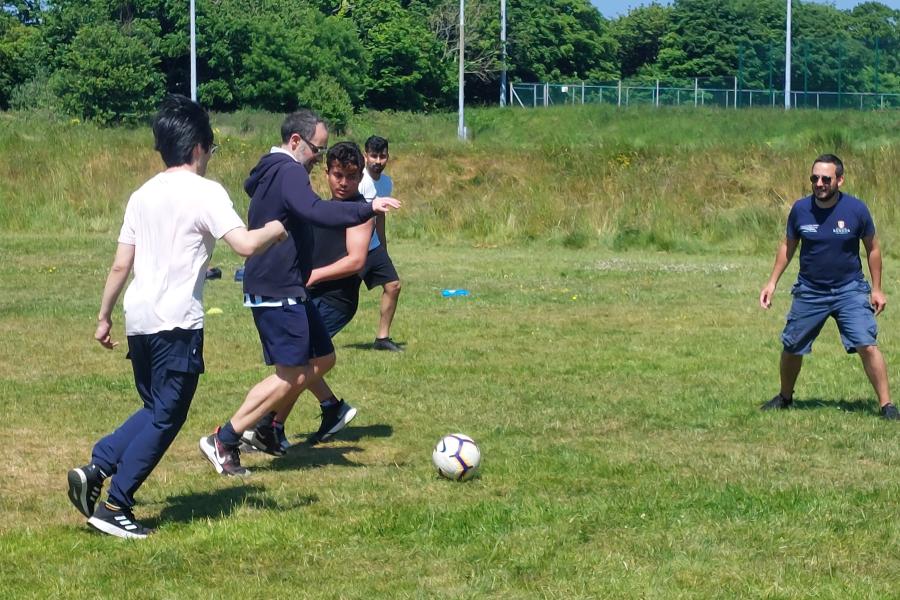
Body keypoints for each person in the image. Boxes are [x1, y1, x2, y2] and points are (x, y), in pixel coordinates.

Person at [66, 94, 288, 539]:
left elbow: (119, 264)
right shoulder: (205, 192)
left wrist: (103, 316)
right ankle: (116, 504)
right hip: (176, 321)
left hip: (140, 318)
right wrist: (279, 227)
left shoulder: (141, 194)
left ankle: (97, 467)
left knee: (154, 407)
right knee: (168, 416)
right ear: (198, 149)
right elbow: (243, 245)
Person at [199, 111, 400, 476]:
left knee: (322, 357)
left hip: (291, 285)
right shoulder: (288, 169)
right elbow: (315, 210)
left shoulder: (274, 169)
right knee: (290, 374)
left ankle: (267, 430)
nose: (318, 158)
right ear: (296, 142)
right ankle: (225, 437)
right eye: (317, 151)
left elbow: (267, 195)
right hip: (278, 285)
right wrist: (367, 207)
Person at [242, 142, 374, 454]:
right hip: (305, 293)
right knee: (304, 362)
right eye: (337, 175)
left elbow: (356, 261)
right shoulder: (319, 207)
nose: (343, 182)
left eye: (351, 177)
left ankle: (268, 422)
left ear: (360, 178)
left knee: (303, 363)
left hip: (335, 299)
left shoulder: (359, 211)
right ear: (326, 173)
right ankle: (327, 408)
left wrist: (313, 275)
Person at [759, 154, 897, 420]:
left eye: (825, 178)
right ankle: (785, 397)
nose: (819, 183)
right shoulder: (800, 209)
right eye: (814, 178)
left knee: (867, 343)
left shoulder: (856, 210)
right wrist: (771, 283)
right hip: (810, 290)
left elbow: (873, 248)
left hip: (850, 289)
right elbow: (788, 246)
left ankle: (887, 405)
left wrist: (876, 289)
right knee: (792, 345)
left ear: (840, 180)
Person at [358, 136, 404, 352]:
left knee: (393, 285)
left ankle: (382, 338)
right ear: (365, 155)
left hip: (373, 246)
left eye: (382, 156)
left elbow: (381, 217)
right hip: (352, 247)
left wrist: (383, 249)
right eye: (373, 156)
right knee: (338, 296)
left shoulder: (386, 183)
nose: (378, 160)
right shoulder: (358, 181)